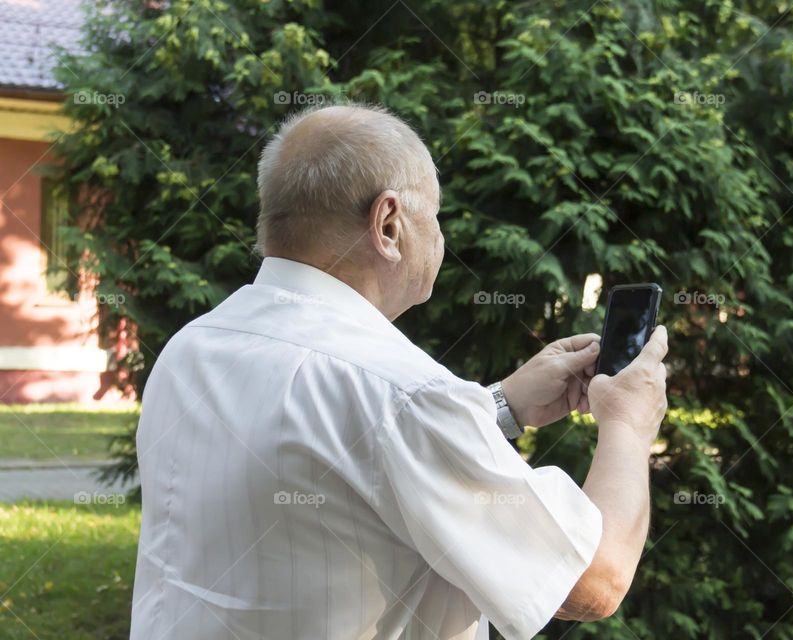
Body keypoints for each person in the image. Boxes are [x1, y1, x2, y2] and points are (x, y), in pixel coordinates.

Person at [129, 104, 669, 640]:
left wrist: (499, 406)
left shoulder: (193, 347)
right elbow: (592, 581)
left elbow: (340, 462)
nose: (440, 238)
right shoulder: (401, 394)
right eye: (434, 215)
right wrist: (628, 422)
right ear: (388, 225)